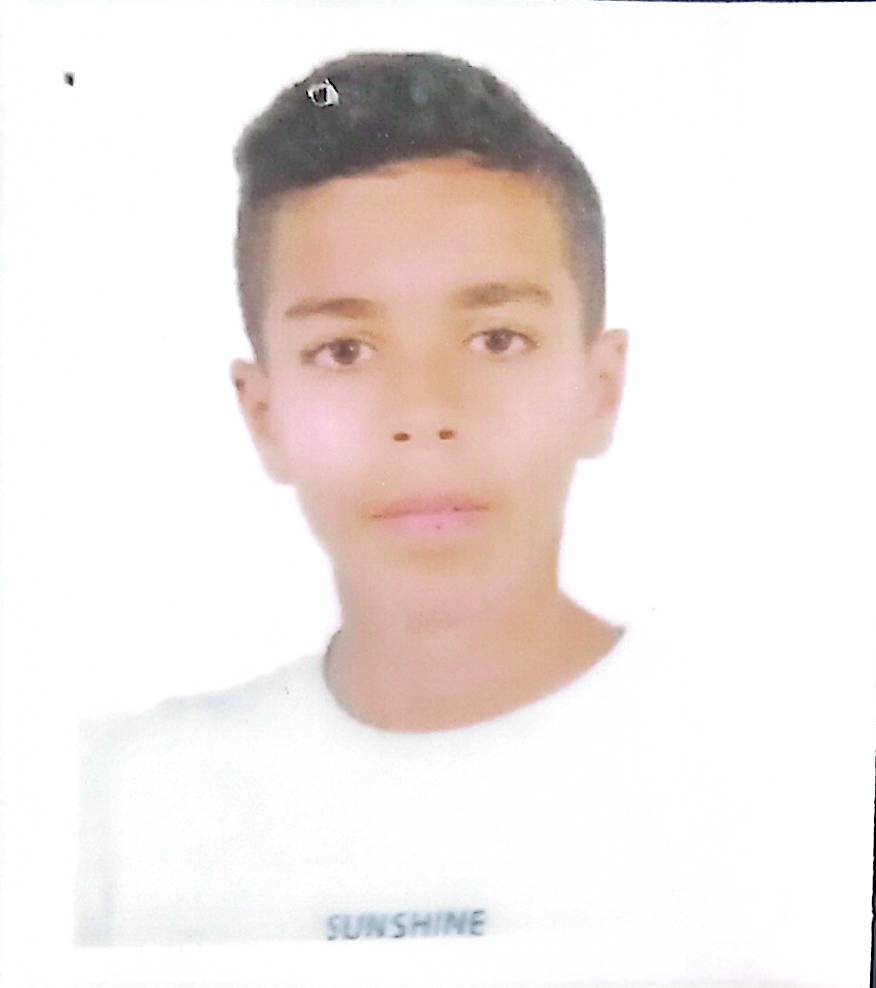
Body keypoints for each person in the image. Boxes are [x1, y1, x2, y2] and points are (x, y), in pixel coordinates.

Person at [74, 51, 854, 985]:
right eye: (345, 349)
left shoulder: (788, 786)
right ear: (265, 415)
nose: (425, 413)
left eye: (497, 339)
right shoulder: (115, 809)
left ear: (600, 389)